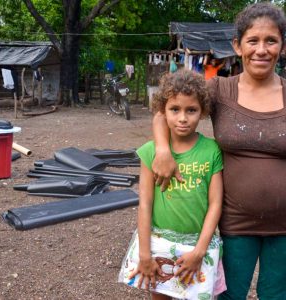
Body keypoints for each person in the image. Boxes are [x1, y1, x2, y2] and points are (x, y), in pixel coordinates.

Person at [151, 3, 286, 300]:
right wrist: (162, 149)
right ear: (238, 46)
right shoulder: (220, 90)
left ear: (282, 46)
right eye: (253, 41)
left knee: (277, 295)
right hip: (234, 222)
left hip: (284, 227)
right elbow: (165, 110)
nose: (261, 50)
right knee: (229, 294)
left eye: (271, 41)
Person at [119, 69, 226, 299]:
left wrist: (199, 251)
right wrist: (145, 254)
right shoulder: (150, 152)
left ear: (203, 111)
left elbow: (215, 204)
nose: (183, 118)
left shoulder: (212, 150)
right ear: (163, 111)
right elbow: (145, 204)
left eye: (191, 110)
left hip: (198, 247)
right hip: (157, 245)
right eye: (174, 109)